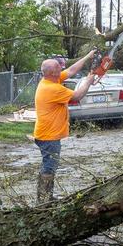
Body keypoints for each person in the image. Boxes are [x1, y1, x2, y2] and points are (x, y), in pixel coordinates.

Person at [33, 50, 99, 203]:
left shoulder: (51, 80)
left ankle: (45, 196)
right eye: (58, 68)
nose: (61, 70)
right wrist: (89, 81)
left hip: (48, 134)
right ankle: (43, 199)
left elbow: (71, 70)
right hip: (48, 136)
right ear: (52, 72)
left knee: (49, 164)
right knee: (49, 166)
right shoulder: (52, 88)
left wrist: (88, 56)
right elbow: (77, 96)